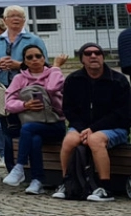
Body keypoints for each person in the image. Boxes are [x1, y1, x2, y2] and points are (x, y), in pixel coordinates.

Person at [53, 42, 131, 202]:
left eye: (97, 53)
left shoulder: (118, 80)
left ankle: (104, 187)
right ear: (82, 59)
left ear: (103, 57)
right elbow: (69, 110)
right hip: (82, 127)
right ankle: (67, 183)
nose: (93, 56)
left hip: (115, 127)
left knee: (95, 140)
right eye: (88, 54)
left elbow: (122, 113)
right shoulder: (73, 80)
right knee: (69, 140)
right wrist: (83, 129)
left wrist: (93, 129)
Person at [0, 6, 45, 183]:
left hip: (27, 90)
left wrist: (18, 65)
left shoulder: (33, 39)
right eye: (11, 16)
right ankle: (13, 169)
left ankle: (29, 168)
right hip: (3, 89)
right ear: (4, 20)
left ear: (24, 20)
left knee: (26, 128)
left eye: (19, 16)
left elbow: (44, 66)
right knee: (7, 131)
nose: (15, 19)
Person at [4, 45, 65, 194]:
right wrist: (25, 105)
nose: (35, 60)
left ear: (44, 58)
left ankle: (19, 167)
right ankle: (37, 181)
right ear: (24, 61)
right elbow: (8, 103)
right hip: (32, 124)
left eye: (38, 56)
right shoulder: (19, 78)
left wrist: (56, 66)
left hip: (55, 123)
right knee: (34, 139)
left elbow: (51, 88)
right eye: (29, 57)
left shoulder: (54, 73)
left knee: (27, 129)